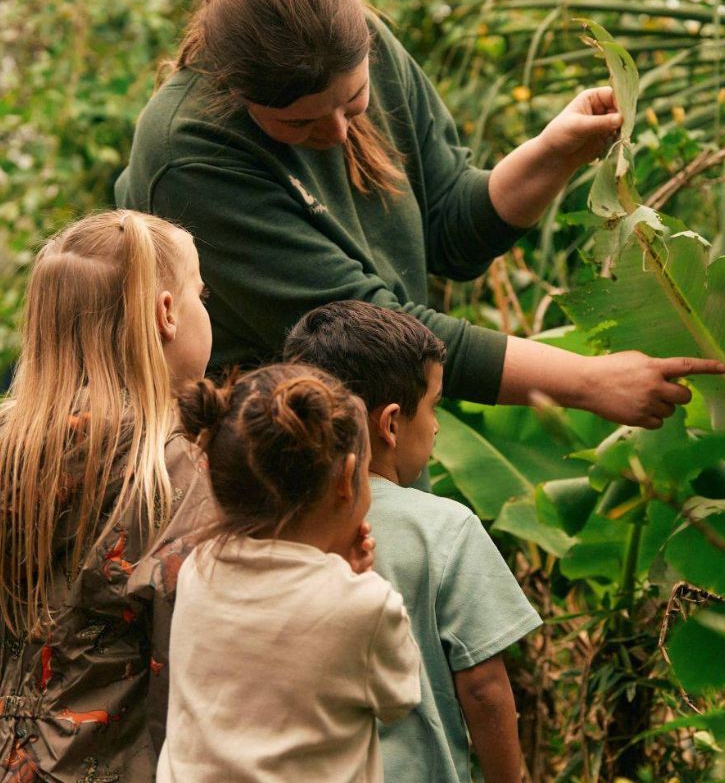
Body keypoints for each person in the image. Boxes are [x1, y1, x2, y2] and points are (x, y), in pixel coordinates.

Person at [115, 0, 725, 431]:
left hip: (381, 433)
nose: (337, 132)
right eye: (299, 124)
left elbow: (452, 233)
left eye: (354, 101)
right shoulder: (188, 154)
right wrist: (587, 382)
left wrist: (553, 153)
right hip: (265, 470)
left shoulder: (364, 44)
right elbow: (365, 334)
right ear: (236, 91)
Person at [0, 210, 217, 782]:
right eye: (200, 295)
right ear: (166, 313)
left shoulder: (8, 447)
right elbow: (195, 663)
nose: (204, 309)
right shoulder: (175, 468)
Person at [285, 301, 542, 783]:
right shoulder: (445, 529)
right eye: (433, 405)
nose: (437, 424)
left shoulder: (264, 525)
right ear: (390, 423)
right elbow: (484, 689)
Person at [158, 363, 421, 783]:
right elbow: (399, 698)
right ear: (346, 479)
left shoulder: (198, 570)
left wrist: (337, 576)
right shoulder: (366, 606)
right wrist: (355, 582)